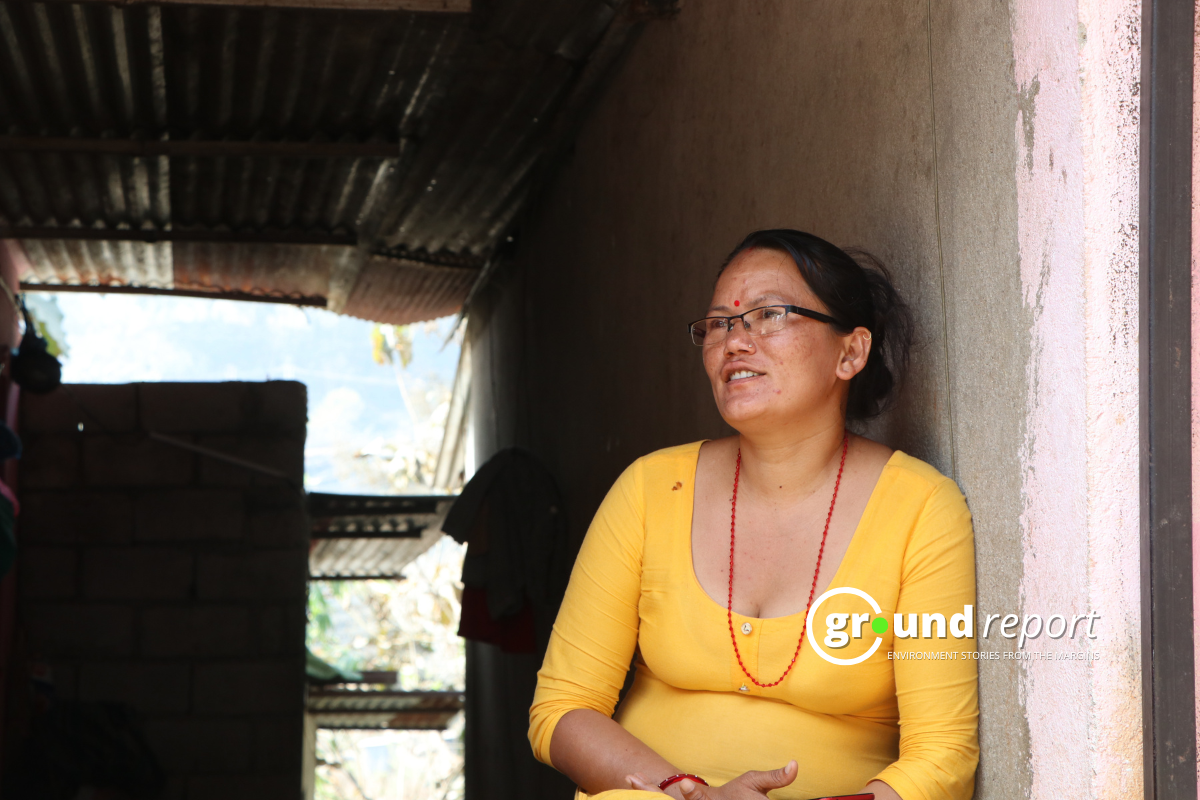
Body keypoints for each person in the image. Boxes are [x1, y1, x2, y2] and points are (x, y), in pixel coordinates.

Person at [528, 229, 979, 800]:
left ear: (851, 353)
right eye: (719, 324)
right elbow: (561, 709)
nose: (734, 341)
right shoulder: (650, 489)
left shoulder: (920, 509)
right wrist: (687, 791)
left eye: (769, 315)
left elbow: (943, 758)